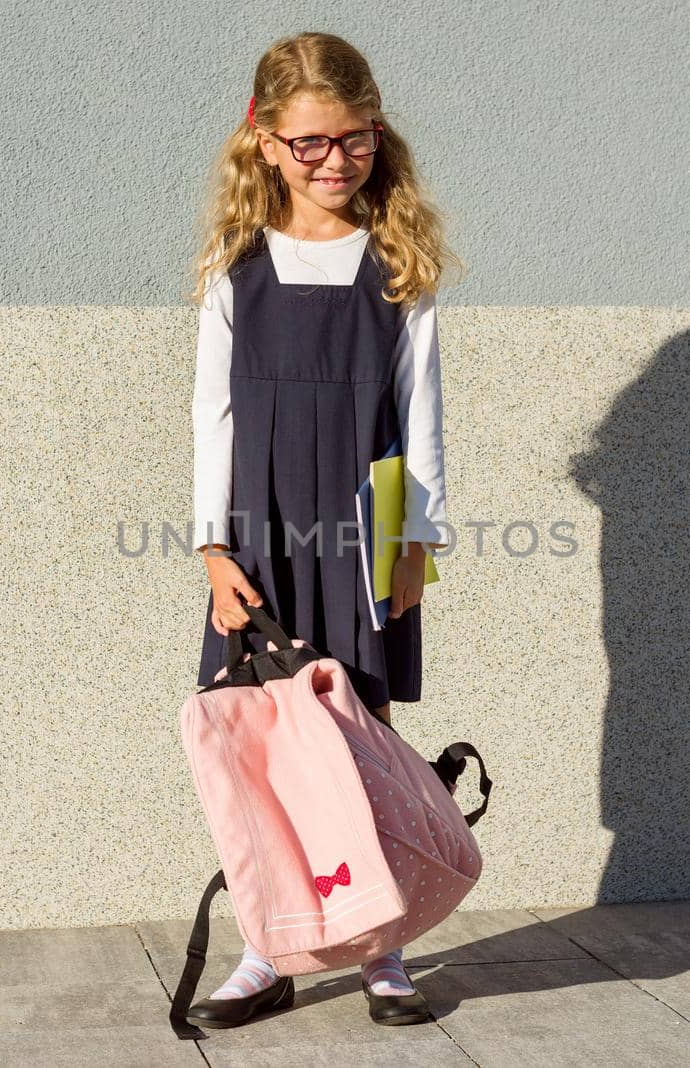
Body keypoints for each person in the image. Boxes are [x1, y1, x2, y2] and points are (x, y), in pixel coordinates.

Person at [184, 31, 458, 1029]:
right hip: (258, 538)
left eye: (354, 139)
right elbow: (211, 416)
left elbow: (419, 414)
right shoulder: (235, 267)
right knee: (269, 745)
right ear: (262, 142)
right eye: (309, 143)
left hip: (363, 527)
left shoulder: (397, 267)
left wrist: (415, 542)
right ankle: (271, 947)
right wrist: (214, 550)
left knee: (360, 739)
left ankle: (381, 947)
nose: (334, 161)